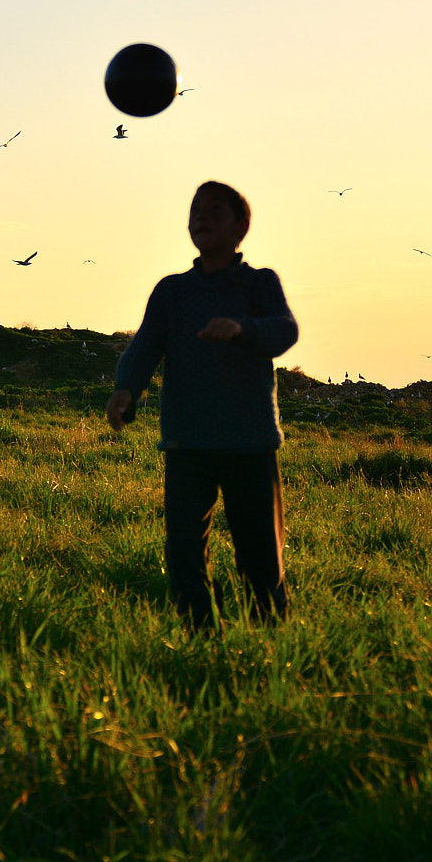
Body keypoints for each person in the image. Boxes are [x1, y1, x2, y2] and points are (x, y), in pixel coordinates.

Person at [105, 181, 298, 631]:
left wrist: (241, 329)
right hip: (186, 443)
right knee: (184, 554)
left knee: (260, 554)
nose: (202, 217)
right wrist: (124, 389)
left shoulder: (259, 284)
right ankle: (199, 637)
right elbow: (145, 346)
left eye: (215, 209)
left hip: (249, 445)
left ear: (241, 225)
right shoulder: (172, 291)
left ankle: (272, 639)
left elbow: (284, 331)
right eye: (195, 210)